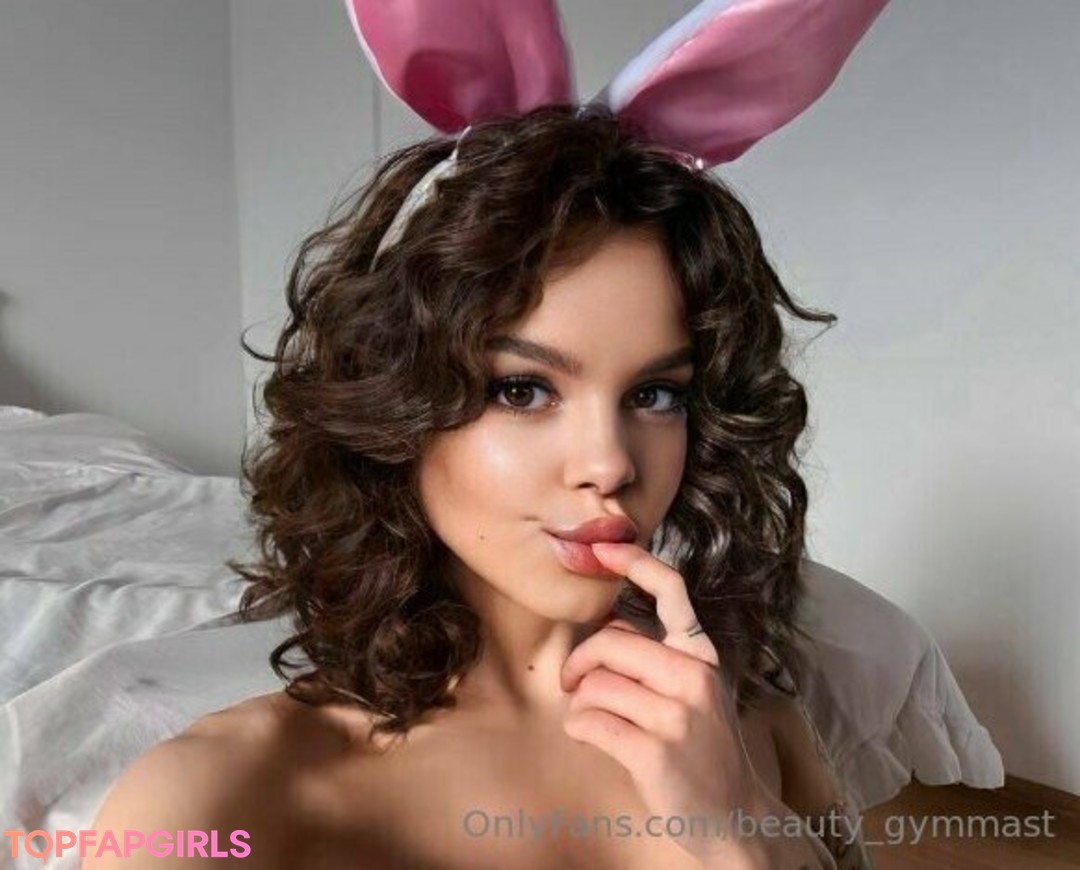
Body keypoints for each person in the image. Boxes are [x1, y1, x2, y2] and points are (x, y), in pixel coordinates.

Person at [86, 2, 891, 867]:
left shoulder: (749, 725)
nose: (610, 463)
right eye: (521, 389)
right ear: (397, 404)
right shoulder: (221, 798)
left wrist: (732, 831)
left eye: (656, 394)